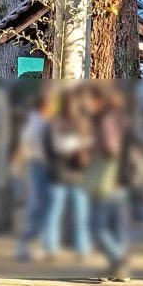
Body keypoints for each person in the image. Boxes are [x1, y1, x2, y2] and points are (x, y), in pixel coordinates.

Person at [85, 85, 134, 282]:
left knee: (96, 227)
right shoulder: (124, 120)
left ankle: (118, 258)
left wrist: (93, 149)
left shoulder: (106, 121)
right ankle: (119, 269)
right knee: (117, 228)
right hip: (122, 180)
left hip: (107, 181)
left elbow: (111, 149)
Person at [45, 87, 92, 260]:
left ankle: (82, 248)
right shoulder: (57, 122)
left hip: (79, 174)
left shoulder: (83, 122)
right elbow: (57, 145)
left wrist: (81, 144)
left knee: (81, 214)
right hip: (59, 173)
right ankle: (51, 248)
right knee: (55, 212)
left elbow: (91, 142)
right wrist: (79, 144)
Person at [14, 92, 57, 262]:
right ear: (44, 107)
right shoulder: (35, 122)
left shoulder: (43, 122)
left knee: (45, 205)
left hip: (44, 166)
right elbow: (26, 145)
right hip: (37, 165)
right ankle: (25, 243)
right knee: (38, 204)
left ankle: (42, 244)